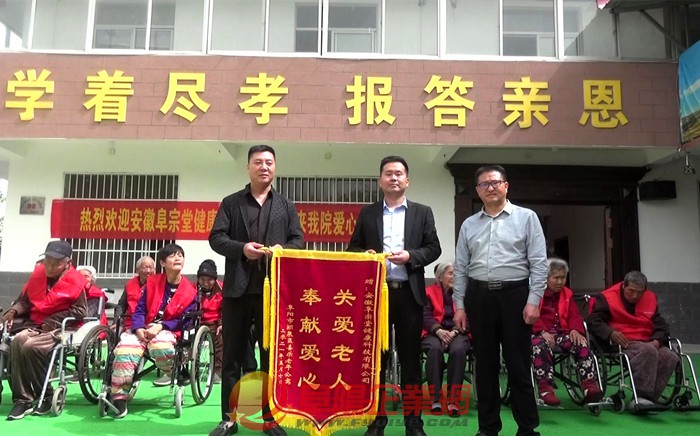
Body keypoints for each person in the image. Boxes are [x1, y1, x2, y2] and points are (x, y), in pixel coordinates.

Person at [208, 144, 304, 436]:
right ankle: (229, 420)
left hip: (272, 293)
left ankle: (270, 419)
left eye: (269, 162)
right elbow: (216, 238)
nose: (264, 167)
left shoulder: (285, 205)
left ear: (275, 167)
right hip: (237, 291)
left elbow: (298, 240)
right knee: (232, 358)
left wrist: (282, 249)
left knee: (270, 358)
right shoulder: (232, 203)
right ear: (248, 167)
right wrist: (242, 249)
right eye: (258, 162)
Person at [348, 155, 441, 436]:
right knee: (377, 361)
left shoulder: (422, 212)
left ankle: (413, 423)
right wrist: (364, 255)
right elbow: (353, 248)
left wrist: (411, 256)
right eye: (388, 174)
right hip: (376, 296)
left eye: (399, 174)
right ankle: (377, 421)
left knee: (411, 362)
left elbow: (433, 248)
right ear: (380, 181)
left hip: (409, 295)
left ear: (407, 180)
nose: (394, 178)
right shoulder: (368, 214)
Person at [452, 164, 547, 436]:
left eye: (495, 182)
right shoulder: (469, 224)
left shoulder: (527, 218)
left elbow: (539, 263)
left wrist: (534, 300)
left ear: (506, 185)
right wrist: (460, 305)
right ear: (477, 190)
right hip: (479, 297)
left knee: (518, 365)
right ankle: (488, 428)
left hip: (515, 296)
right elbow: (460, 268)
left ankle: (527, 428)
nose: (490, 188)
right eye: (484, 184)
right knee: (485, 366)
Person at [1, 240, 88, 420]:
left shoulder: (76, 281)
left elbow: (80, 311)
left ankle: (46, 395)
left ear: (68, 263)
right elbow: (25, 302)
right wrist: (13, 311)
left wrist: (53, 319)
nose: (50, 266)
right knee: (16, 341)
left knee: (31, 346)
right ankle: (23, 400)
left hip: (61, 327)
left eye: (56, 263)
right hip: (34, 325)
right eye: (47, 261)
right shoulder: (38, 275)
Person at [108, 243, 198, 418]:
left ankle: (175, 370)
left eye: (180, 255)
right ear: (162, 263)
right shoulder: (152, 283)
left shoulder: (190, 291)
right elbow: (139, 309)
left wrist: (162, 326)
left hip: (169, 330)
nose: (177, 258)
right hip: (145, 327)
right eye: (172, 255)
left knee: (160, 346)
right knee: (125, 349)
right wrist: (138, 328)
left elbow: (186, 320)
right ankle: (118, 395)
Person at [587, 270, 679, 406]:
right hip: (621, 341)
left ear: (645, 290)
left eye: (639, 292)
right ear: (623, 286)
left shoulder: (650, 298)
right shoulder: (608, 298)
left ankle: (651, 398)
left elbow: (661, 325)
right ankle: (641, 396)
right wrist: (610, 333)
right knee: (648, 351)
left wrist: (657, 340)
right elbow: (593, 321)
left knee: (670, 357)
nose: (635, 295)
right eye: (631, 291)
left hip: (647, 339)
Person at [530, 258, 603, 406]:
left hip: (560, 333)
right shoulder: (535, 293)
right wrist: (542, 331)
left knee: (580, 343)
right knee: (540, 345)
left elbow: (574, 315)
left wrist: (575, 330)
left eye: (563, 278)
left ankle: (589, 386)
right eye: (555, 278)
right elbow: (531, 314)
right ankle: (545, 389)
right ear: (546, 278)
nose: (559, 282)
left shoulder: (567, 294)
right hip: (536, 333)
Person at [421, 261, 470, 417]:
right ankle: (435, 399)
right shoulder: (428, 292)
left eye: (456, 274)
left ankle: (453, 400)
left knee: (459, 350)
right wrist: (438, 330)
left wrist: (454, 331)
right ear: (440, 277)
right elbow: (424, 316)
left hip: (458, 332)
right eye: (450, 273)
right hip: (434, 332)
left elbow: (471, 317)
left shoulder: (464, 294)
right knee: (434, 349)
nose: (454, 277)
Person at [113, 256, 156, 332]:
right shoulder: (130, 284)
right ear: (137, 270)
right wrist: (116, 321)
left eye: (151, 267)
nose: (148, 271)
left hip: (151, 322)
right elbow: (122, 305)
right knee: (115, 331)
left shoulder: (159, 284)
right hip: (130, 321)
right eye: (145, 267)